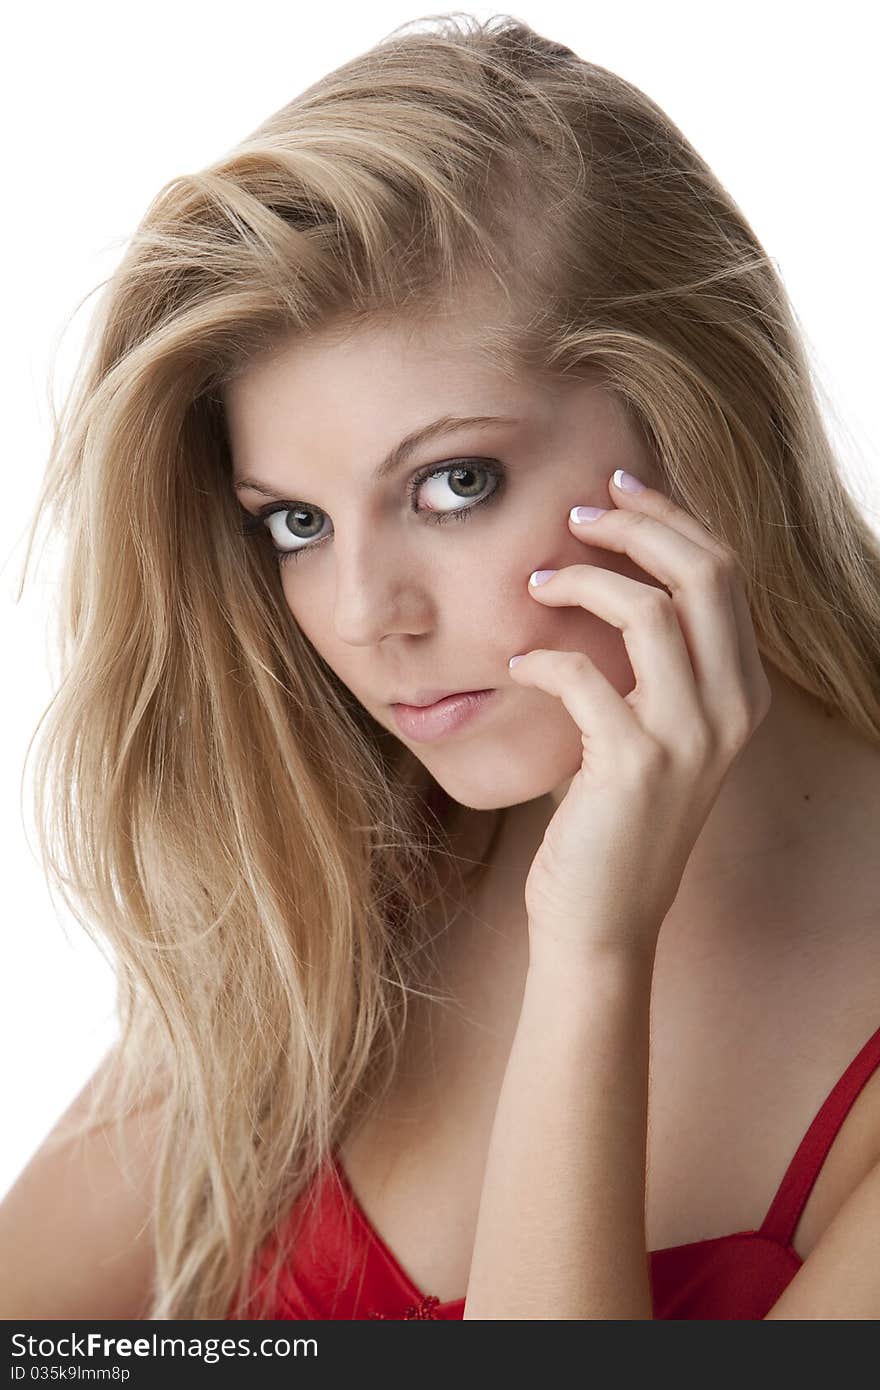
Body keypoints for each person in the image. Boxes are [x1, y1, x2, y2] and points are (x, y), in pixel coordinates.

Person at [2, 13, 879, 1321]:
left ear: (705, 422)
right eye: (293, 521)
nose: (362, 616)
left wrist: (591, 954)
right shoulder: (351, 868)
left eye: (454, 483)